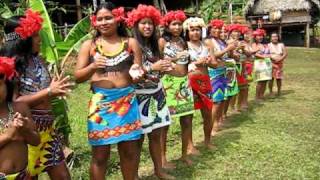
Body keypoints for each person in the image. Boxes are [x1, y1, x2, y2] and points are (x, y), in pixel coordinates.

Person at [74, 2, 144, 180]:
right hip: (100, 105)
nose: (104, 22)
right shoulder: (89, 45)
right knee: (99, 155)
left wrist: (138, 74)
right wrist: (93, 66)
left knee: (129, 152)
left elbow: (139, 71)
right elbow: (78, 77)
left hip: (127, 102)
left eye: (108, 18)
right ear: (94, 22)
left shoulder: (131, 43)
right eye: (100, 19)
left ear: (118, 19)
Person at [1, 10, 72, 179]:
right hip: (27, 128)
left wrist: (54, 90)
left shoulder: (38, 60)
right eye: (35, 36)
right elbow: (15, 101)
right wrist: (48, 91)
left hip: (47, 129)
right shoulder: (12, 66)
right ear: (23, 39)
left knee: (63, 176)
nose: (40, 40)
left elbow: (42, 92)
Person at [127, 5, 175, 179]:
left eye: (150, 23)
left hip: (157, 94)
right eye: (143, 23)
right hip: (138, 97)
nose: (147, 27)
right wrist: (152, 67)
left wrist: (166, 67)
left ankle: (159, 171)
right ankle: (134, 174)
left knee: (156, 135)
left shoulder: (154, 45)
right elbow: (130, 74)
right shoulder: (131, 44)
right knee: (138, 140)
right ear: (136, 25)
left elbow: (157, 71)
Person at [160, 11, 198, 166]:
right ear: (167, 26)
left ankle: (184, 154)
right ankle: (163, 159)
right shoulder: (162, 41)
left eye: (179, 24)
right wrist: (176, 57)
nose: (177, 27)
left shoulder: (183, 41)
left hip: (184, 83)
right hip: (168, 83)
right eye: (173, 24)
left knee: (187, 119)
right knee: (165, 124)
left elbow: (187, 63)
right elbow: (158, 62)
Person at [0, 56, 40, 179]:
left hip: (24, 175)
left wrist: (25, 130)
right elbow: (9, 136)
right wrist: (7, 136)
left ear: (7, 84)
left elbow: (36, 140)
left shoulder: (20, 108)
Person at [184, 17, 217, 149]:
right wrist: (196, 63)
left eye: (197, 30)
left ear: (201, 31)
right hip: (189, 83)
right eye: (192, 30)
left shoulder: (208, 46)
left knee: (207, 113)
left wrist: (208, 62)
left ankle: (207, 141)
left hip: (205, 83)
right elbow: (180, 66)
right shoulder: (184, 46)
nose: (195, 33)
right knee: (188, 116)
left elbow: (215, 64)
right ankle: (190, 145)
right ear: (187, 31)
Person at [206, 20, 235, 135]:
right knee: (216, 101)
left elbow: (226, 55)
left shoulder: (220, 41)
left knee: (221, 99)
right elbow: (212, 56)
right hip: (214, 73)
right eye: (215, 28)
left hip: (223, 71)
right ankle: (211, 128)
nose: (217, 30)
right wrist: (227, 49)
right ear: (210, 29)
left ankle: (218, 122)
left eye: (219, 28)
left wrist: (230, 49)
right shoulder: (209, 41)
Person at [252, 29, 272, 102]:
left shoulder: (266, 44)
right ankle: (257, 97)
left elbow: (270, 53)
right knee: (260, 81)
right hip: (259, 64)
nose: (260, 37)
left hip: (267, 64)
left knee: (265, 80)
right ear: (255, 37)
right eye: (258, 36)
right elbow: (255, 53)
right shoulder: (254, 44)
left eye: (261, 36)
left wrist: (269, 56)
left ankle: (262, 95)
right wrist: (264, 57)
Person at [268, 32, 287, 96]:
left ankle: (279, 91)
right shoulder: (268, 45)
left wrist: (280, 59)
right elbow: (267, 54)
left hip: (279, 64)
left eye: (276, 36)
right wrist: (272, 60)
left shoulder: (281, 44)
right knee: (271, 78)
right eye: (273, 37)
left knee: (279, 78)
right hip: (271, 63)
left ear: (278, 37)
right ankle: (270, 92)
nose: (275, 38)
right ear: (271, 38)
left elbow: (285, 53)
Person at [241, 27, 255, 109]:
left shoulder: (250, 44)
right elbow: (247, 53)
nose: (247, 36)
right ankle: (242, 103)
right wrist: (255, 51)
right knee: (243, 86)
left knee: (247, 85)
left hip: (250, 66)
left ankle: (245, 101)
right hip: (245, 66)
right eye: (246, 34)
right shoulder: (242, 43)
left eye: (249, 34)